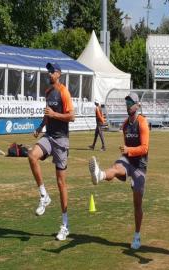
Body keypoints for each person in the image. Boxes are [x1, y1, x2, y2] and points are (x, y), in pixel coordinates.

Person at [88, 92, 149, 250]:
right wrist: (126, 151)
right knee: (115, 168)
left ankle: (137, 235)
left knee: (137, 205)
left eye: (131, 103)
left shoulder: (142, 123)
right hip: (127, 160)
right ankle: (99, 175)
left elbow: (145, 148)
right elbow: (127, 147)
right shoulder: (125, 124)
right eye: (127, 103)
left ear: (137, 105)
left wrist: (129, 149)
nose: (128, 105)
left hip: (140, 166)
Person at [28, 62, 75, 241]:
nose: (48, 74)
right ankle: (43, 195)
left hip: (61, 140)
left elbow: (71, 116)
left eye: (51, 72)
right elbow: (47, 114)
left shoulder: (64, 92)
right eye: (48, 71)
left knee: (61, 183)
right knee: (32, 156)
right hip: (48, 136)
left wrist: (55, 115)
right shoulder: (48, 92)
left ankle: (65, 224)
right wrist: (40, 127)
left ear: (59, 74)